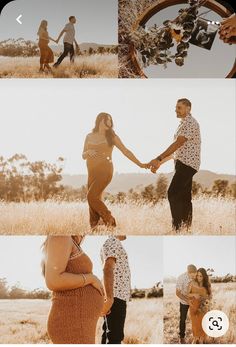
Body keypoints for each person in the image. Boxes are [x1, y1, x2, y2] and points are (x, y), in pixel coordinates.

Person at [82, 112, 148, 229]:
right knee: (92, 200)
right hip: (91, 172)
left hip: (105, 171)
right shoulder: (89, 136)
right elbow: (83, 155)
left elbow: (126, 151)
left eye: (110, 120)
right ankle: (94, 227)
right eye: (107, 120)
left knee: (91, 196)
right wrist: (87, 152)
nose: (109, 122)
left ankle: (110, 220)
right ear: (100, 121)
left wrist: (140, 164)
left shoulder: (112, 137)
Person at [148, 98, 201, 232]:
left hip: (187, 164)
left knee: (173, 193)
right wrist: (160, 162)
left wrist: (158, 158)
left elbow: (178, 144)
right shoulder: (183, 123)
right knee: (184, 197)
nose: (176, 110)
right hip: (183, 163)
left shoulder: (190, 122)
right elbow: (177, 151)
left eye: (179, 108)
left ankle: (177, 228)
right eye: (176, 107)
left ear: (188, 108)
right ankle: (185, 229)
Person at [42, 235, 104, 344]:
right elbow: (53, 280)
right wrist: (90, 278)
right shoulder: (61, 236)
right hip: (72, 322)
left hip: (77, 321)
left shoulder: (70, 241)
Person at [100, 236, 131, 344]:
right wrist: (109, 299)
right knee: (115, 337)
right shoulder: (113, 241)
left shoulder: (113, 242)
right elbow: (107, 268)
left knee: (109, 335)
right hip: (115, 296)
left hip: (116, 296)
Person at [188, 268, 212, 344]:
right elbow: (187, 294)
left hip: (203, 307)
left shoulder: (207, 285)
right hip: (193, 306)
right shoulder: (192, 283)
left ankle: (202, 339)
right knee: (194, 324)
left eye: (201, 276)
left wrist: (205, 299)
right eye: (197, 276)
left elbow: (210, 296)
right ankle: (195, 338)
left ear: (204, 276)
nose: (199, 278)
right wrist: (194, 294)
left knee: (202, 324)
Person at [176, 264, 197, 344]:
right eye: (192, 275)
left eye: (194, 275)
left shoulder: (196, 275)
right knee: (183, 319)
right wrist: (187, 301)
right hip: (184, 301)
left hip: (194, 300)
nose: (193, 277)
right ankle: (181, 337)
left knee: (195, 318)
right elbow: (177, 293)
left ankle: (196, 336)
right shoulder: (181, 278)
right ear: (188, 273)